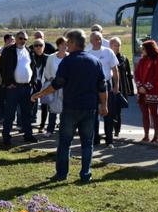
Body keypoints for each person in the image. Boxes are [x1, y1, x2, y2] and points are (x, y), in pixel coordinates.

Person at [32, 29, 107, 183]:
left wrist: (40, 94)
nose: (66, 45)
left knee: (65, 143)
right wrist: (104, 105)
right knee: (87, 143)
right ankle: (85, 174)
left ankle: (62, 174)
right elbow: (102, 87)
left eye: (67, 42)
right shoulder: (95, 61)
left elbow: (57, 84)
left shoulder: (67, 61)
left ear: (73, 43)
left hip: (71, 108)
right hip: (89, 108)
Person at [0, 30, 38, 145]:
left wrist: (33, 82)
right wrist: (8, 82)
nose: (23, 41)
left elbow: (33, 67)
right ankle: (6, 136)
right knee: (10, 113)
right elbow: (2, 67)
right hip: (13, 88)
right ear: (16, 39)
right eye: (21, 38)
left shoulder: (29, 51)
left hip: (27, 88)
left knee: (27, 113)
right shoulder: (8, 51)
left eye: (25, 39)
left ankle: (28, 135)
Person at [86, 31, 119, 147]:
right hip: (92, 87)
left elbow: (115, 70)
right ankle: (95, 140)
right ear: (91, 41)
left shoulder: (108, 52)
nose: (98, 41)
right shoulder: (87, 53)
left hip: (106, 86)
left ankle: (109, 140)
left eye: (100, 38)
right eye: (95, 39)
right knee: (93, 114)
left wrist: (116, 85)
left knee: (108, 114)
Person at [134, 40, 158, 143]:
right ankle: (146, 135)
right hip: (142, 92)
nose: (141, 50)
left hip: (153, 91)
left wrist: (146, 87)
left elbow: (157, 77)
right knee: (145, 114)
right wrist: (139, 86)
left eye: (143, 48)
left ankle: (156, 137)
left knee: (154, 113)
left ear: (149, 49)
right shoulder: (141, 61)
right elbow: (136, 74)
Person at [43, 36, 68, 137]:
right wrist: (51, 79)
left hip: (66, 87)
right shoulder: (51, 57)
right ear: (58, 45)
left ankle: (63, 129)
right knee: (52, 109)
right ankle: (50, 130)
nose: (64, 46)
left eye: (66, 44)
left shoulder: (70, 57)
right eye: (62, 44)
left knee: (65, 109)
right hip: (54, 85)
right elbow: (47, 71)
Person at [109, 36, 134, 137]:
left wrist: (130, 90)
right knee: (110, 110)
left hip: (121, 87)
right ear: (110, 46)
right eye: (115, 45)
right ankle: (109, 130)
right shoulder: (108, 57)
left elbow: (128, 75)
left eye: (119, 45)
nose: (117, 47)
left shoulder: (124, 58)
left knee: (118, 111)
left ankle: (117, 131)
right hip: (109, 87)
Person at [30, 38, 49, 132]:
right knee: (31, 103)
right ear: (33, 47)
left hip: (44, 83)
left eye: (40, 45)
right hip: (33, 83)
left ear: (44, 47)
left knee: (44, 105)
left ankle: (42, 125)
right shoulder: (30, 57)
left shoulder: (48, 58)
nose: (38, 47)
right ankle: (28, 123)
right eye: (36, 45)